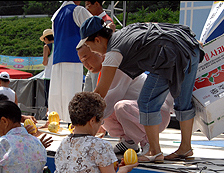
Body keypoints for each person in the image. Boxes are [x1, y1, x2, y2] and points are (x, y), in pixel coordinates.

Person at [78, 16, 204, 162]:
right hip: (189, 46)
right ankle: (185, 147)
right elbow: (156, 26)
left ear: (98, 40)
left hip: (169, 55)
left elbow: (100, 93)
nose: (94, 51)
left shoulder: (113, 53)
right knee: (183, 101)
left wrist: (82, 121)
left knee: (147, 101)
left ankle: (154, 151)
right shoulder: (125, 32)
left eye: (90, 47)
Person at [77, 44, 173, 156]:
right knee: (105, 112)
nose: (85, 64)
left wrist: (86, 127)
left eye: (86, 58)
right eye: (82, 61)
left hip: (155, 114)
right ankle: (129, 141)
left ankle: (147, 143)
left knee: (119, 107)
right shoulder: (105, 70)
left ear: (97, 51)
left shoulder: (119, 66)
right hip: (140, 111)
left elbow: (109, 99)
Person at [49, 1, 92, 123]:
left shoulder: (56, 15)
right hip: (74, 56)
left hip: (57, 58)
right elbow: (92, 28)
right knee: (72, 91)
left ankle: (55, 122)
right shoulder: (78, 10)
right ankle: (73, 122)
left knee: (57, 94)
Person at [41, 28, 54, 109]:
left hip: (48, 75)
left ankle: (49, 113)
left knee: (48, 96)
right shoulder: (59, 45)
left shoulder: (47, 47)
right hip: (57, 74)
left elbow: (45, 62)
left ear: (46, 38)